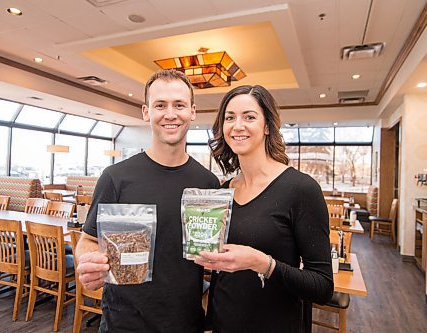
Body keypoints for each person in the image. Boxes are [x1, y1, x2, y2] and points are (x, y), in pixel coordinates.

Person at [75, 69, 220, 332]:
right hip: (124, 323)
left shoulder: (208, 183)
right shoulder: (115, 178)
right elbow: (88, 239)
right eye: (160, 105)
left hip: (186, 322)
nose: (170, 114)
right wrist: (87, 261)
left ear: (193, 111)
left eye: (179, 105)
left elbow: (208, 256)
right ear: (146, 112)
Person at [195, 85, 333, 332]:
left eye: (249, 117)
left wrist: (263, 263)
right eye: (230, 117)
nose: (237, 125)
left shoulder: (301, 189)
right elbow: (221, 273)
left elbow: (322, 286)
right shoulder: (222, 191)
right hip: (223, 324)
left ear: (267, 126)